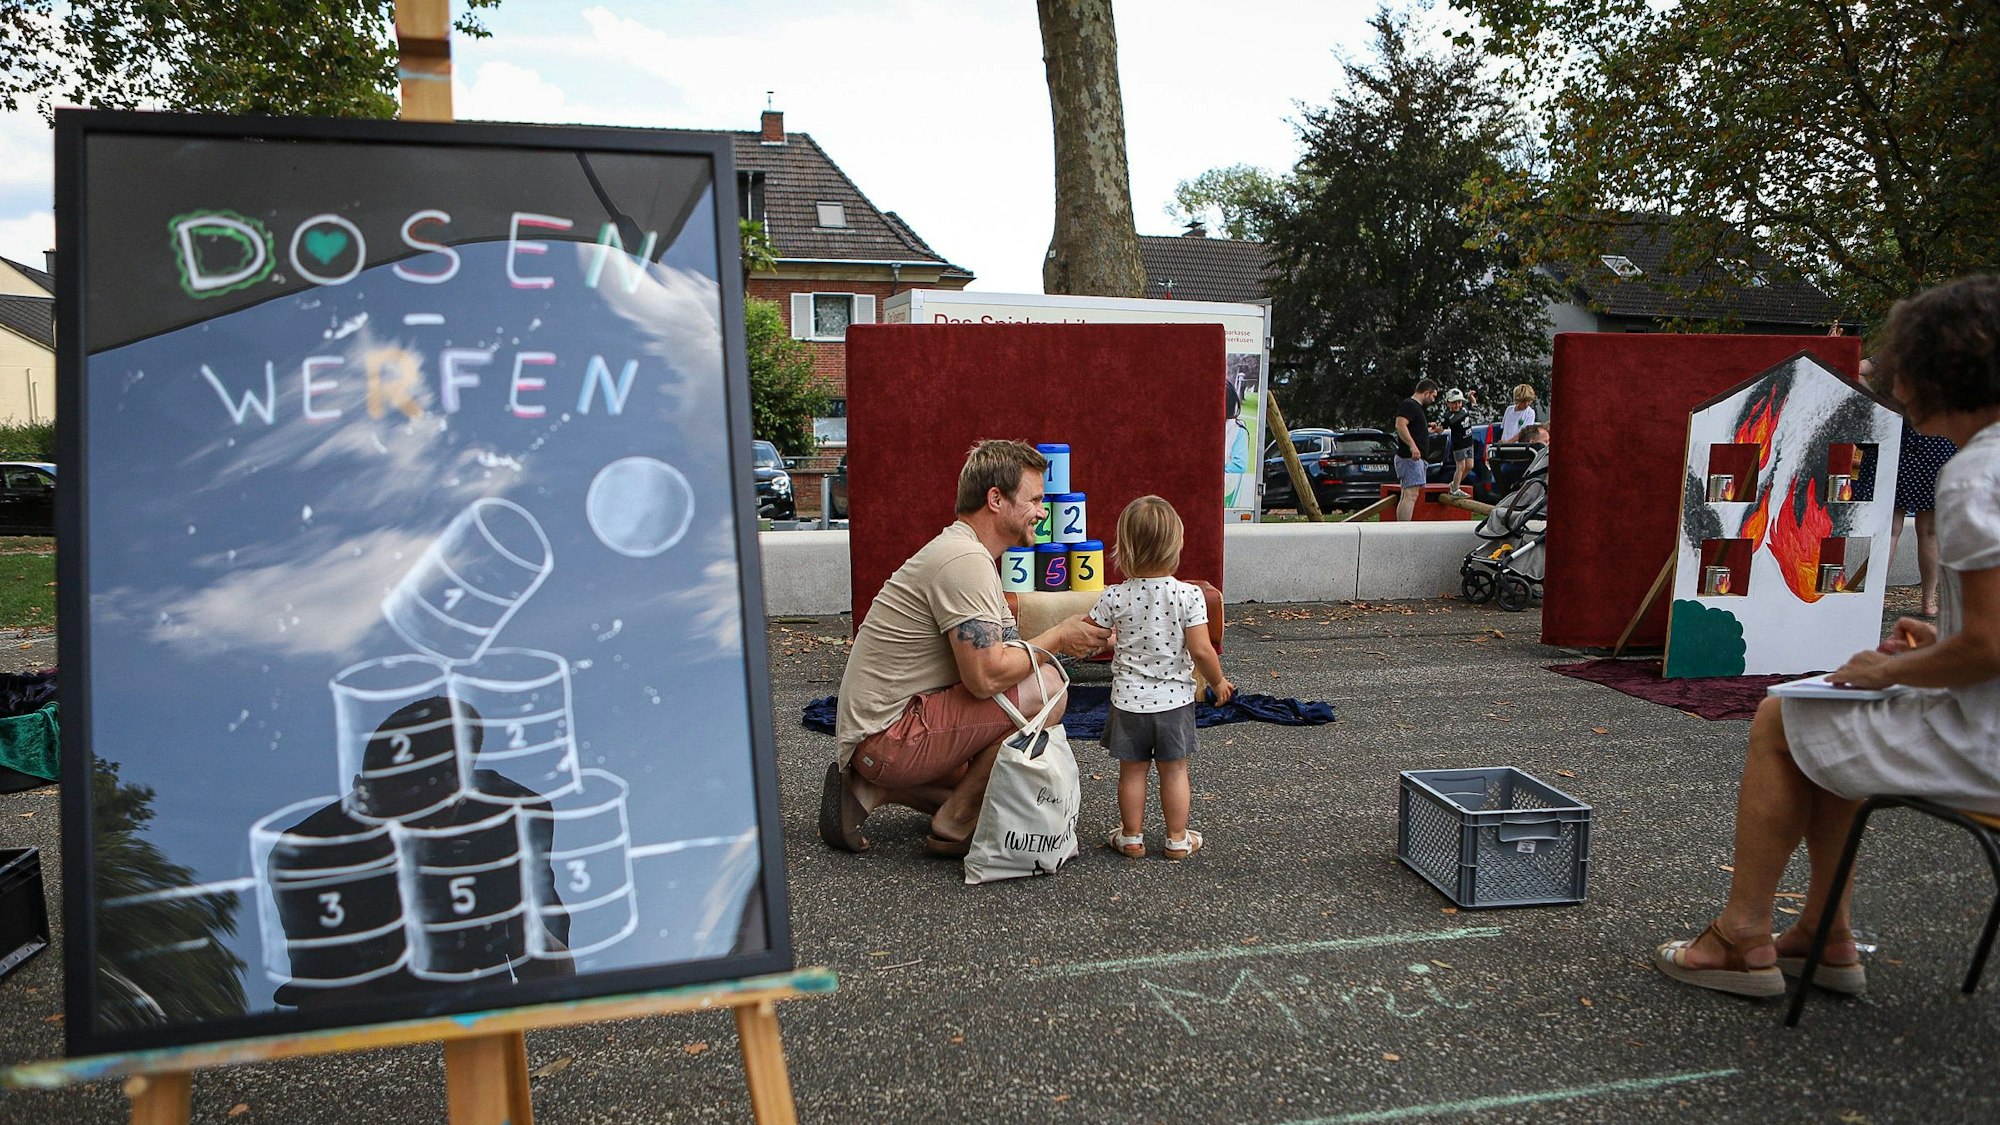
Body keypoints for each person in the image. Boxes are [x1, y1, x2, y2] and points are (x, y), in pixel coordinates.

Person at [1653, 274, 2000, 998]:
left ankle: (1742, 933)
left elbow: (1991, 648)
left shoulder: (1976, 474)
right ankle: (1824, 932)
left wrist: (1893, 671)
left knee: (1785, 714)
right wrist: (1940, 634)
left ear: (1935, 367)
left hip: (1986, 742)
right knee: (1832, 713)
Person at [822, 440, 1113, 856]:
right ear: (996, 498)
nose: (1043, 510)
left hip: (879, 735)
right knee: (1049, 688)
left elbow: (1013, 651)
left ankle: (868, 790)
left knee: (997, 790)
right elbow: (987, 677)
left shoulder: (970, 554)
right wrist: (1058, 640)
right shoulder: (964, 561)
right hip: (888, 735)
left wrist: (1084, 633)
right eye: (1033, 499)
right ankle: (954, 822)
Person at [1088, 496, 1233, 861]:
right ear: (1177, 545)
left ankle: (1132, 837)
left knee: (1132, 772)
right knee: (1174, 771)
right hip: (1174, 702)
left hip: (1128, 702)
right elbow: (1202, 650)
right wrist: (1218, 682)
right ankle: (1177, 839)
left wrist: (1108, 639)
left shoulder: (1114, 596)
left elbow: (1090, 636)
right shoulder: (1189, 595)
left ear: (1125, 548)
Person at [1392, 379, 1440, 522]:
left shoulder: (1416, 408)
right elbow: (1400, 425)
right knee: (1410, 495)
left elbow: (1414, 431)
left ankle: (1401, 527)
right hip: (1410, 458)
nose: (1433, 400)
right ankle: (1405, 529)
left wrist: (1428, 431)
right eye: (1433, 396)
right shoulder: (1410, 405)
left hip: (1413, 459)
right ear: (1426, 393)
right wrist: (1413, 446)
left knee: (1407, 494)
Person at [1440, 388, 1478, 496]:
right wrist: (1435, 428)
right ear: (1448, 403)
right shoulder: (1448, 417)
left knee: (1470, 466)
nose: (1457, 405)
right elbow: (1441, 428)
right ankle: (1455, 489)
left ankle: (1454, 484)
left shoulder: (1464, 409)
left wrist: (1471, 397)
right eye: (1454, 403)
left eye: (1459, 402)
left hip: (1469, 443)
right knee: (1460, 467)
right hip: (1459, 445)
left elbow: (1474, 405)